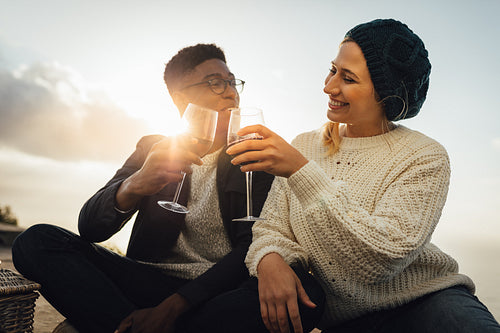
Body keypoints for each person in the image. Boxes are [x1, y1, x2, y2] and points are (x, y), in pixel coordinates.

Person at [226, 19, 500, 332]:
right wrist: (269, 260)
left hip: (428, 303)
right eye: (332, 70)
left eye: (349, 78)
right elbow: (271, 228)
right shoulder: (304, 145)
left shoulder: (424, 155)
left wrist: (301, 172)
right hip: (344, 319)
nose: (329, 86)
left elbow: (380, 260)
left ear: (386, 94)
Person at [11, 43, 281, 333]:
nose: (231, 92)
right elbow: (90, 228)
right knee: (35, 241)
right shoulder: (153, 148)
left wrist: (172, 308)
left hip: (216, 292)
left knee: (303, 292)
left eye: (232, 82)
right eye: (216, 83)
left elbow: (250, 249)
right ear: (181, 97)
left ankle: (129, 324)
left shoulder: (254, 154)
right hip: (145, 282)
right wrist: (135, 184)